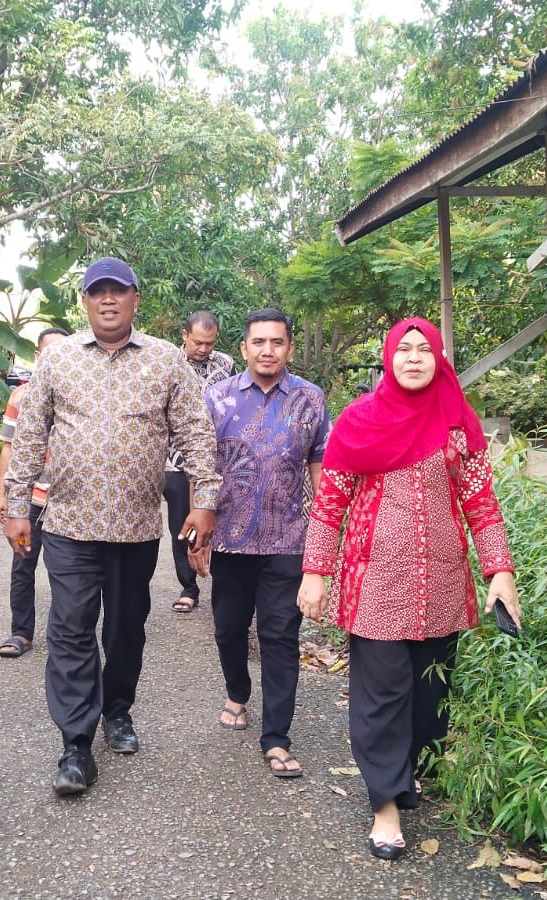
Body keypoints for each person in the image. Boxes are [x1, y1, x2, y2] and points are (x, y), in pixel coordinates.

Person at [296, 317, 522, 860]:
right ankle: (385, 805)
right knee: (381, 697)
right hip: (374, 580)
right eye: (404, 349)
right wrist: (315, 571)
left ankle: (407, 771)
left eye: (425, 349)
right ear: (388, 358)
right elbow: (330, 504)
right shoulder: (359, 421)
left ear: (439, 358)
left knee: (429, 699)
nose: (415, 358)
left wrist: (500, 571)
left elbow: (481, 504)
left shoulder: (456, 424)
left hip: (440, 583)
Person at [2, 257, 220, 797]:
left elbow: (195, 433)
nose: (107, 300)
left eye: (117, 291)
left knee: (125, 629)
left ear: (134, 300)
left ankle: (117, 709)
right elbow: (29, 435)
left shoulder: (166, 360)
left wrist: (205, 500)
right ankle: (76, 744)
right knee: (71, 627)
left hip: (135, 527)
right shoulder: (57, 361)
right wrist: (16, 506)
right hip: (69, 524)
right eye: (97, 292)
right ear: (84, 302)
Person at [202, 308, 327, 778]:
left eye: (277, 342)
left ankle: (276, 738)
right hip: (229, 540)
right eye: (259, 342)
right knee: (229, 629)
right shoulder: (217, 398)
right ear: (244, 348)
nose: (268, 350)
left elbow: (320, 469)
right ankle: (237, 692)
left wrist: (325, 537)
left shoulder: (311, 398)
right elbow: (202, 468)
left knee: (280, 637)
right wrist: (199, 530)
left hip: (289, 539)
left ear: (289, 348)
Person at [0, 326, 72, 658]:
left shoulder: (82, 394)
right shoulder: (20, 397)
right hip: (32, 499)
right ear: (38, 356)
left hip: (69, 501)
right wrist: (3, 494)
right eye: (50, 353)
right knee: (23, 564)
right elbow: (8, 448)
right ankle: (20, 632)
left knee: (67, 571)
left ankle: (65, 634)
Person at [167, 310, 235, 613]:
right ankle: (188, 587)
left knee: (220, 522)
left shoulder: (226, 364)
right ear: (185, 335)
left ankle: (224, 589)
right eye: (198, 342)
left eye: (210, 343)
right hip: (176, 459)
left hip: (218, 460)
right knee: (182, 524)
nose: (204, 349)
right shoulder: (168, 361)